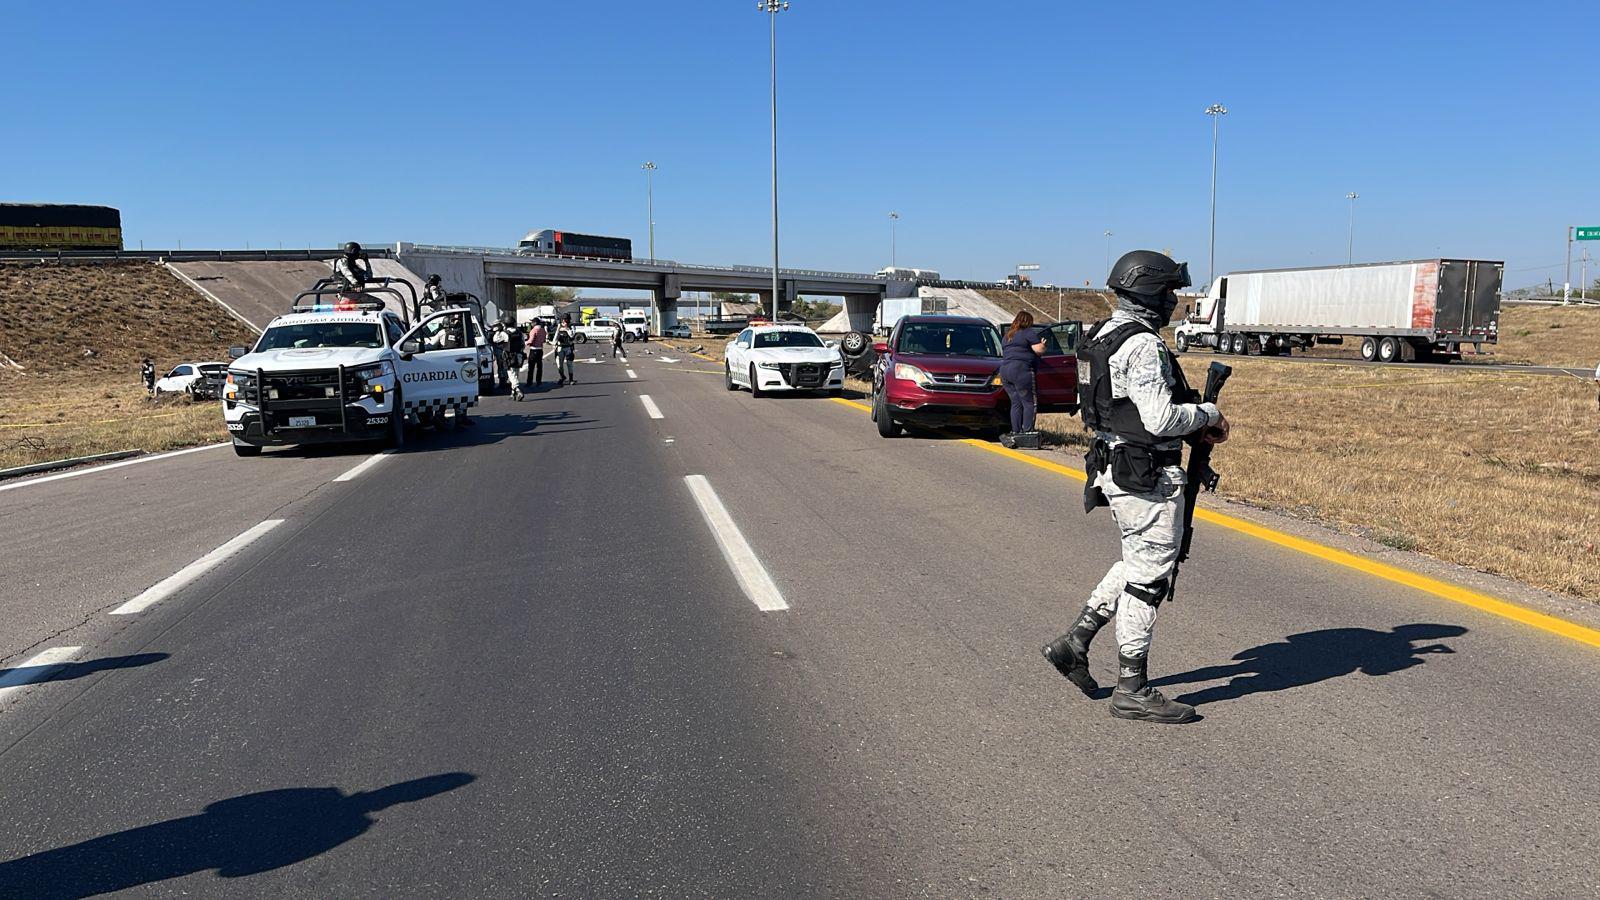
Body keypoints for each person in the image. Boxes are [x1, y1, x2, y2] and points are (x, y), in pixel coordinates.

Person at [1041, 250, 1229, 725]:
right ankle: (1132, 688)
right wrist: (1208, 415)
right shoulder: (1143, 344)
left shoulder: (1102, 334)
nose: (1172, 301)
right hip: (1146, 478)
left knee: (1136, 562)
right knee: (1148, 581)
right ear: (1149, 291)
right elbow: (1160, 418)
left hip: (1115, 467)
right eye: (1168, 292)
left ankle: (1075, 642)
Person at [999, 310, 1046, 449]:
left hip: (1005, 371)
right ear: (1028, 322)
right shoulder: (1028, 332)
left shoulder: (1007, 336)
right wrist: (1043, 344)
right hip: (1021, 370)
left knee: (1015, 403)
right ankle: (1027, 433)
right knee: (1029, 402)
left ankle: (1016, 432)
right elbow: (1039, 350)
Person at [553, 315, 577, 385]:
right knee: (559, 365)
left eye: (565, 319)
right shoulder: (559, 326)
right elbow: (556, 335)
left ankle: (571, 379)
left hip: (568, 347)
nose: (564, 321)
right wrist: (554, 343)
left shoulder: (571, 326)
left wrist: (566, 328)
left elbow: (572, 335)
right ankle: (562, 376)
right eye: (563, 319)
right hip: (560, 347)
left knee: (569, 364)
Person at [526, 319, 547, 386]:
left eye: (532, 322)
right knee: (539, 367)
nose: (531, 323)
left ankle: (529, 382)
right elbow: (544, 340)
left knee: (531, 367)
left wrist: (525, 343)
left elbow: (531, 340)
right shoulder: (543, 330)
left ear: (535, 323)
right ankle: (539, 381)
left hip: (533, 350)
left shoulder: (533, 330)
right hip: (540, 350)